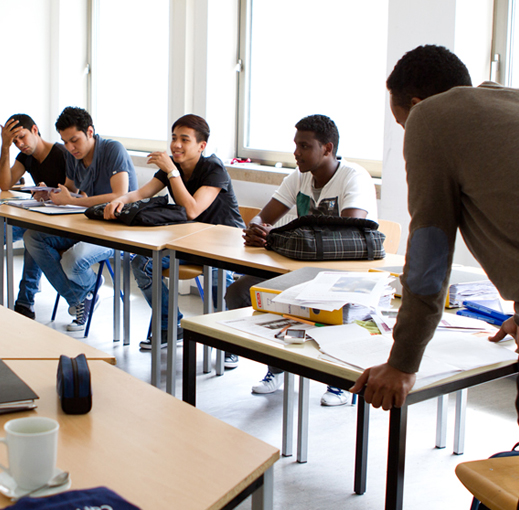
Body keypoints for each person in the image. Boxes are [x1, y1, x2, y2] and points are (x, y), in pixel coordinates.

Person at [350, 44, 519, 508]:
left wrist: (402, 364)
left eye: (400, 122)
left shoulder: (431, 118)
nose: (406, 133)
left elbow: (428, 256)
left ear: (417, 105)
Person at [225, 115, 377, 402]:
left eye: (304, 146)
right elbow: (263, 217)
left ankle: (341, 380)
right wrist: (258, 230)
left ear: (327, 149)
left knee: (315, 305)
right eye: (296, 145)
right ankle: (277, 367)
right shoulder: (299, 176)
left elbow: (351, 231)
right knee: (239, 291)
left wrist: (282, 236)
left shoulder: (353, 177)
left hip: (343, 276)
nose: (296, 152)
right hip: (300, 270)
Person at [104, 114, 244, 355]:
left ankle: (228, 344)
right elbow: (141, 194)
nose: (176, 144)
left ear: (201, 146)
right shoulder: (173, 167)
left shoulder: (213, 168)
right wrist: (119, 200)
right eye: (174, 138)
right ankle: (170, 325)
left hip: (223, 243)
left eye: (184, 139)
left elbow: (191, 209)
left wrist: (171, 171)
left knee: (216, 282)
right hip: (189, 242)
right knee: (142, 263)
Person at [23, 106, 138, 330]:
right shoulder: (72, 156)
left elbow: (119, 196)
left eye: (74, 140)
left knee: (73, 261)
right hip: (88, 225)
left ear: (90, 132)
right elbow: (70, 188)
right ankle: (83, 295)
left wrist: (72, 201)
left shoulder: (113, 150)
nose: (70, 147)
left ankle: (87, 291)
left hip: (118, 229)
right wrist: (49, 194)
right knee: (33, 237)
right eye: (65, 142)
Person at [0, 114, 73, 319]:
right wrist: (4, 147)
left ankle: (25, 301)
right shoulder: (26, 156)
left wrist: (50, 195)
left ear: (34, 130)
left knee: (33, 235)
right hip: (39, 215)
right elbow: (5, 184)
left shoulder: (61, 153)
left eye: (22, 137)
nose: (20, 144)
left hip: (61, 222)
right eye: (15, 141)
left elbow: (73, 191)